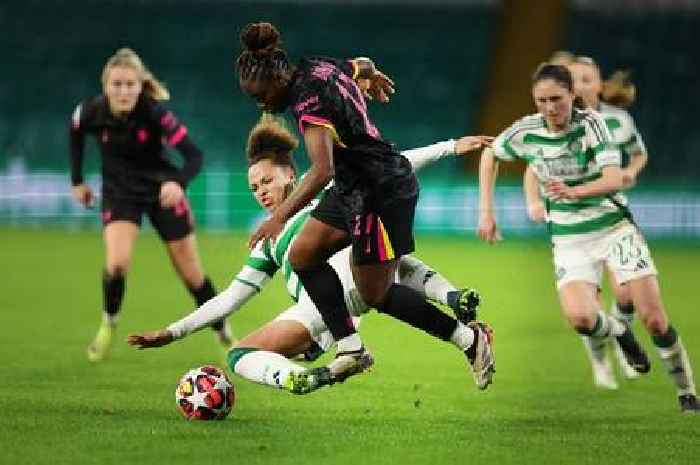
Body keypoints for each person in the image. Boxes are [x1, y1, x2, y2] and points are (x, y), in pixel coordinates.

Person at [128, 113, 492, 393]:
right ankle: (307, 378)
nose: (261, 191)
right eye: (254, 187)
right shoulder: (269, 241)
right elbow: (229, 299)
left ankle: (450, 306)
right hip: (323, 310)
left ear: (290, 174)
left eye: (267, 180)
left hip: (355, 275)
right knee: (239, 355)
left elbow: (390, 166)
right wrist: (173, 332)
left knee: (381, 248)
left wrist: (448, 146)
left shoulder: (323, 191)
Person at [234, 22, 496, 386]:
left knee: (377, 293)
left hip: (379, 192)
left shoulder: (308, 102)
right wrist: (371, 76)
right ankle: (350, 348)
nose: (261, 103)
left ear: (279, 77)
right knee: (303, 255)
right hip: (353, 187)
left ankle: (470, 340)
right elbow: (361, 64)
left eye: (261, 94)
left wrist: (278, 217)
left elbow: (322, 170)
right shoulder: (317, 66)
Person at [478, 63, 699, 413]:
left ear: (572, 97)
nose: (550, 108)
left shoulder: (593, 125)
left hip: (614, 228)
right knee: (581, 318)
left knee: (654, 319)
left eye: (557, 99)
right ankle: (620, 333)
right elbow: (491, 153)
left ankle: (687, 393)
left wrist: (573, 190)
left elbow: (614, 178)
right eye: (542, 100)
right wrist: (486, 213)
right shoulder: (528, 130)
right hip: (569, 239)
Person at [69, 48, 232, 362]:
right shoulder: (90, 111)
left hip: (162, 192)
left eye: (130, 84)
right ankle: (108, 324)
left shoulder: (155, 112)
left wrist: (178, 183)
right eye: (117, 84)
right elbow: (75, 131)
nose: (124, 90)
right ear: (105, 86)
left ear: (140, 85)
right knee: (116, 264)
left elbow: (194, 155)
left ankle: (223, 331)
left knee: (193, 276)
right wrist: (77, 180)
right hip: (120, 193)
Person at [523, 55, 647, 388]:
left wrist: (629, 174)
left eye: (587, 79)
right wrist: (534, 201)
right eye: (574, 80)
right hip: (573, 224)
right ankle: (601, 362)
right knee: (586, 309)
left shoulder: (618, 121)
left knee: (627, 295)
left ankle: (621, 340)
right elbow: (532, 165)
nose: (580, 86)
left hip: (613, 215)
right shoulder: (555, 123)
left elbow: (638, 153)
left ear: (600, 85)